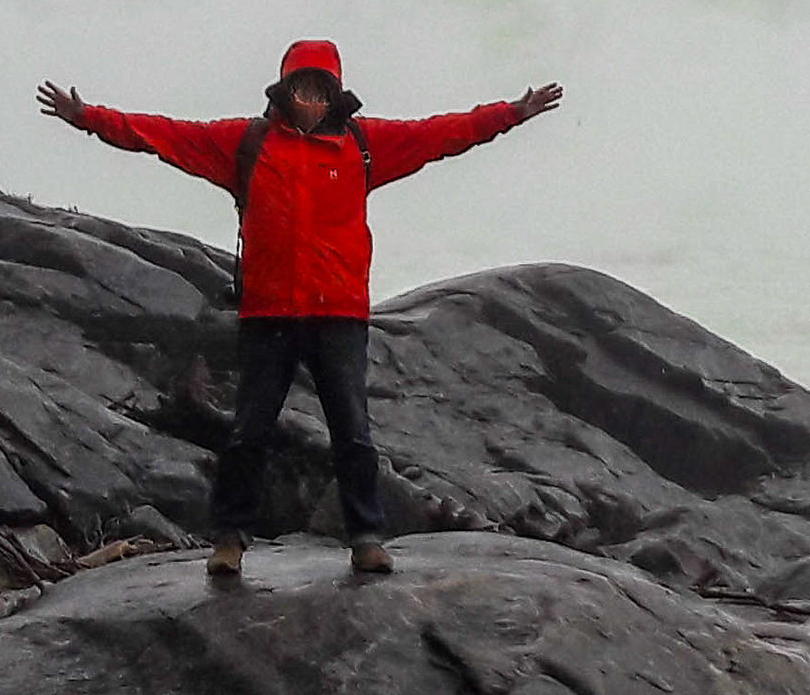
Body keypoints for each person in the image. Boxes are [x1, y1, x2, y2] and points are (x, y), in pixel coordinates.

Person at [36, 42, 561, 579]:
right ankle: (230, 541)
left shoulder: (364, 144)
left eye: (320, 90)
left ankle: (366, 537)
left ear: (335, 94)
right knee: (248, 432)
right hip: (269, 314)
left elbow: (440, 135)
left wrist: (510, 114)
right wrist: (88, 119)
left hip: (339, 313)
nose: (309, 100)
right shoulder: (248, 143)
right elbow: (165, 136)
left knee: (353, 431)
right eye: (300, 88)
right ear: (284, 90)